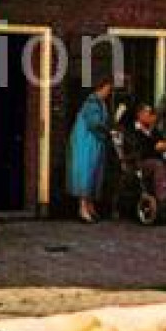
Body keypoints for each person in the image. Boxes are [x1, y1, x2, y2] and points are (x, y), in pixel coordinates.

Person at [67, 79, 113, 223]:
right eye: (107, 89)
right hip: (86, 144)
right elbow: (94, 123)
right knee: (87, 174)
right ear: (101, 89)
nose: (108, 92)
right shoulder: (92, 103)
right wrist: (109, 130)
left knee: (92, 174)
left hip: (93, 143)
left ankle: (89, 206)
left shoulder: (99, 103)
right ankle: (83, 208)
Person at [125, 103, 166, 204]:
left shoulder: (153, 130)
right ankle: (163, 196)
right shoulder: (133, 130)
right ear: (140, 115)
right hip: (140, 162)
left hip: (158, 159)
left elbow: (162, 143)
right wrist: (159, 146)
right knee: (157, 164)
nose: (152, 116)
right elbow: (142, 148)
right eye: (149, 113)